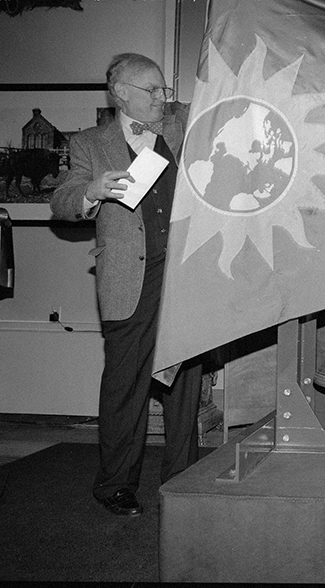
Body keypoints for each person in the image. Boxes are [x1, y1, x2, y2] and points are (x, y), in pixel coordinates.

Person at [51, 53, 202, 517]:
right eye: (152, 90)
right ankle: (115, 484)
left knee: (184, 383)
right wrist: (91, 191)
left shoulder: (181, 123)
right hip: (127, 280)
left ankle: (183, 478)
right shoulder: (89, 143)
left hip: (184, 274)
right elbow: (61, 201)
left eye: (163, 90)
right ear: (121, 93)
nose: (162, 97)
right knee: (124, 387)